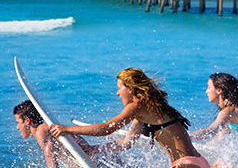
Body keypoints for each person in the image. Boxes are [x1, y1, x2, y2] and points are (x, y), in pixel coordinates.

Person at [50, 68, 210, 168]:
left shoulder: (137, 106)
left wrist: (66, 129)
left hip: (186, 165)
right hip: (194, 162)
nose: (117, 93)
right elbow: (126, 143)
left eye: (119, 88)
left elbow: (107, 128)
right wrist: (94, 150)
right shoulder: (147, 110)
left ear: (130, 89)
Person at [13, 100, 93, 168]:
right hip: (89, 160)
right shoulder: (44, 128)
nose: (17, 127)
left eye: (18, 123)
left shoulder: (40, 131)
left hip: (91, 161)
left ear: (27, 120)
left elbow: (49, 153)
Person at [189, 73, 238, 168]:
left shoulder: (228, 111)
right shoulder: (229, 112)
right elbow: (220, 139)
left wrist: (184, 136)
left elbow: (211, 131)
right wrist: (199, 149)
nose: (206, 92)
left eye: (208, 87)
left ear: (219, 90)